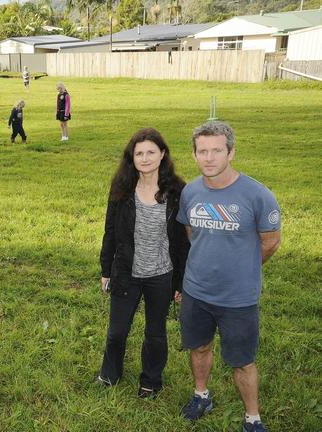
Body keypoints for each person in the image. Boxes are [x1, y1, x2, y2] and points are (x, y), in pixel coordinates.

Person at [177, 121, 281, 432]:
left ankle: (252, 417)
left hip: (238, 298)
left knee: (242, 360)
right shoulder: (190, 191)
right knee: (200, 347)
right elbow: (191, 233)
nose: (209, 158)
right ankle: (201, 395)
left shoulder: (257, 195)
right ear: (195, 155)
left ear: (231, 152)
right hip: (196, 291)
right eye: (202, 151)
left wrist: (243, 267)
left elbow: (270, 240)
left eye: (217, 151)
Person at [97, 128, 189, 399]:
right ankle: (110, 374)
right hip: (127, 272)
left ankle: (151, 380)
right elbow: (110, 231)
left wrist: (180, 281)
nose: (145, 158)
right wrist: (106, 270)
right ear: (132, 158)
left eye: (151, 152)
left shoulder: (177, 191)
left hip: (161, 275)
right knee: (116, 332)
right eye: (139, 153)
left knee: (156, 334)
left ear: (162, 154)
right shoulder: (122, 188)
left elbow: (183, 242)